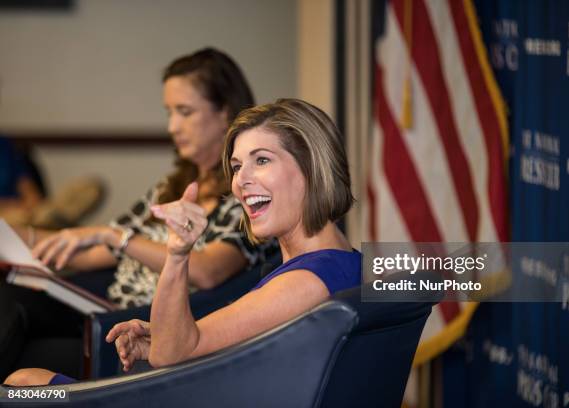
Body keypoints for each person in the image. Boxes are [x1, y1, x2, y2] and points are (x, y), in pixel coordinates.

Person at [4, 98, 361, 386]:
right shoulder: (348, 261)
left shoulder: (304, 281)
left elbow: (172, 353)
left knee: (23, 386)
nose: (240, 182)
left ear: (313, 168)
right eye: (236, 167)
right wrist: (161, 334)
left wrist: (178, 252)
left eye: (261, 161)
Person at [0, 48, 277, 380]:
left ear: (225, 113)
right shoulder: (169, 187)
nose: (173, 126)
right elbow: (92, 251)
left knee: (23, 363)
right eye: (169, 112)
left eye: (185, 112)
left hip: (135, 328)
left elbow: (207, 272)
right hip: (96, 307)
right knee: (10, 301)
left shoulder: (244, 195)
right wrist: (20, 235)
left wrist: (118, 237)